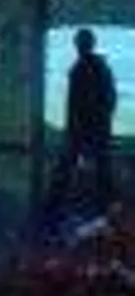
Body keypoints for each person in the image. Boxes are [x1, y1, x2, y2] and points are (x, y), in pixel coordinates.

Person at [46, 29, 118, 225]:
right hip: (94, 130)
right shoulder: (100, 68)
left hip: (82, 130)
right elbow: (109, 100)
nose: (79, 46)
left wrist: (77, 127)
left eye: (80, 42)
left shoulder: (81, 68)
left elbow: (78, 104)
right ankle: (106, 212)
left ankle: (52, 211)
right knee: (101, 172)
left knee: (69, 170)